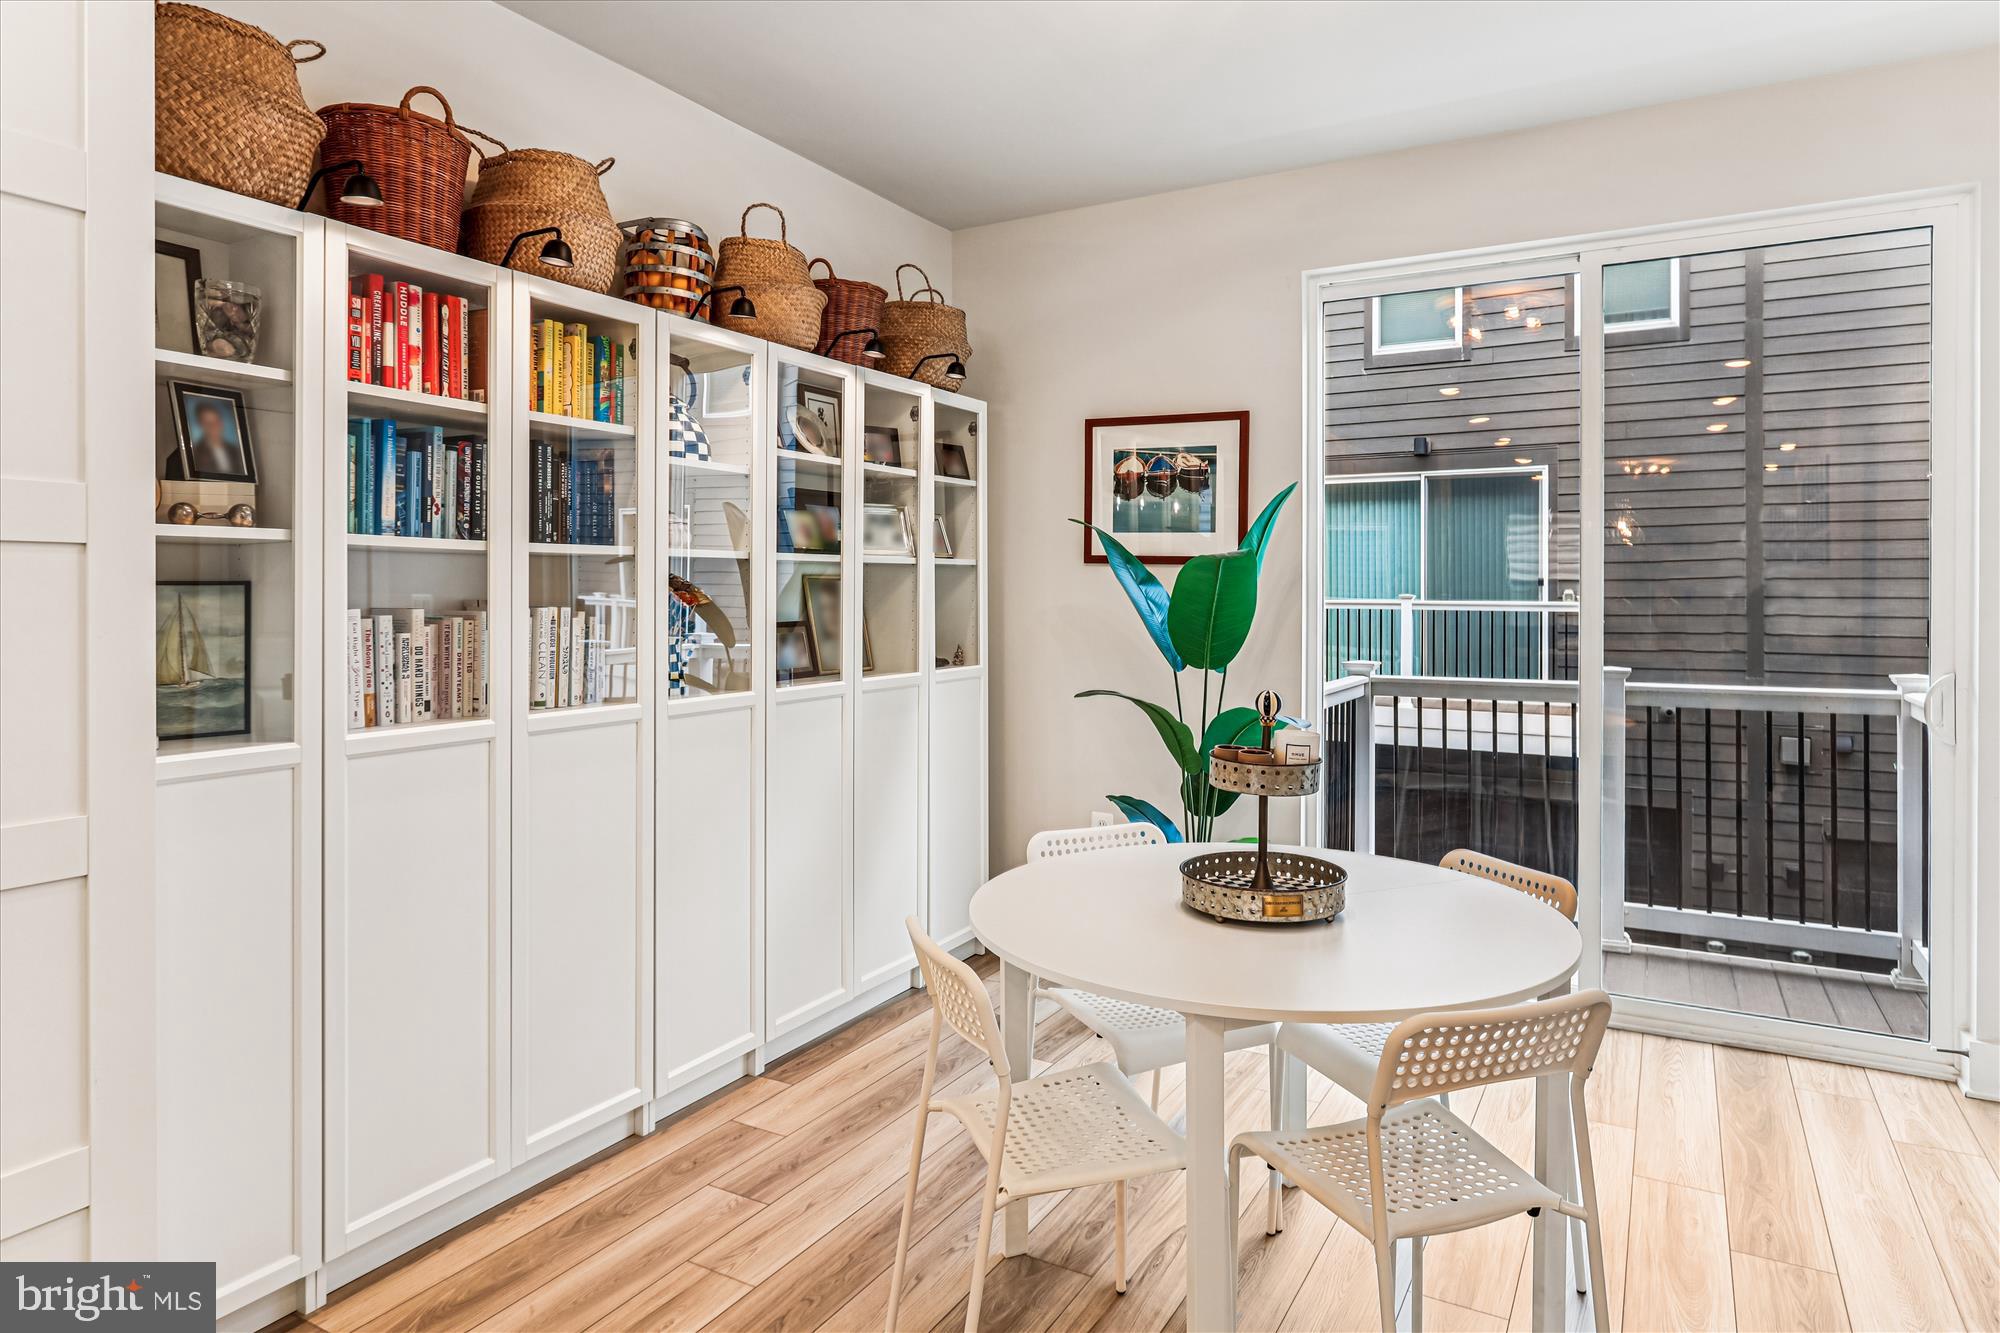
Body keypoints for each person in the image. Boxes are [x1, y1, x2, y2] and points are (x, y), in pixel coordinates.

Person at [184, 399, 245, 478]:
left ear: (221, 423)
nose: (214, 426)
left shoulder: (236, 451)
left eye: (216, 421)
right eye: (208, 423)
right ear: (201, 426)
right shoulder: (194, 455)